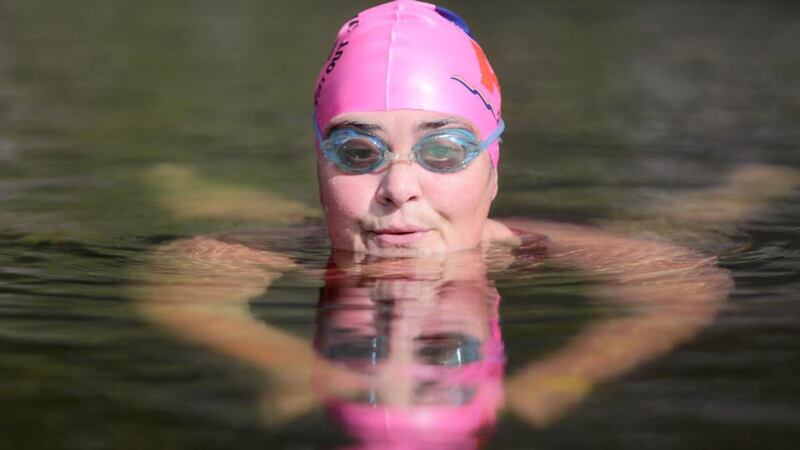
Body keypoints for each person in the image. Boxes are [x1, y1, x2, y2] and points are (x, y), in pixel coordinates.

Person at [132, 0, 797, 447]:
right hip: (312, 233)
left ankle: (747, 188)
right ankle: (180, 180)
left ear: (492, 164)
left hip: (538, 238)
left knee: (678, 226)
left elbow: (684, 279)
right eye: (357, 153)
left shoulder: (528, 247)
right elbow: (185, 275)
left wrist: (570, 375)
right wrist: (283, 364)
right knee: (270, 224)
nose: (398, 187)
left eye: (443, 151)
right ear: (318, 162)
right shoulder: (306, 242)